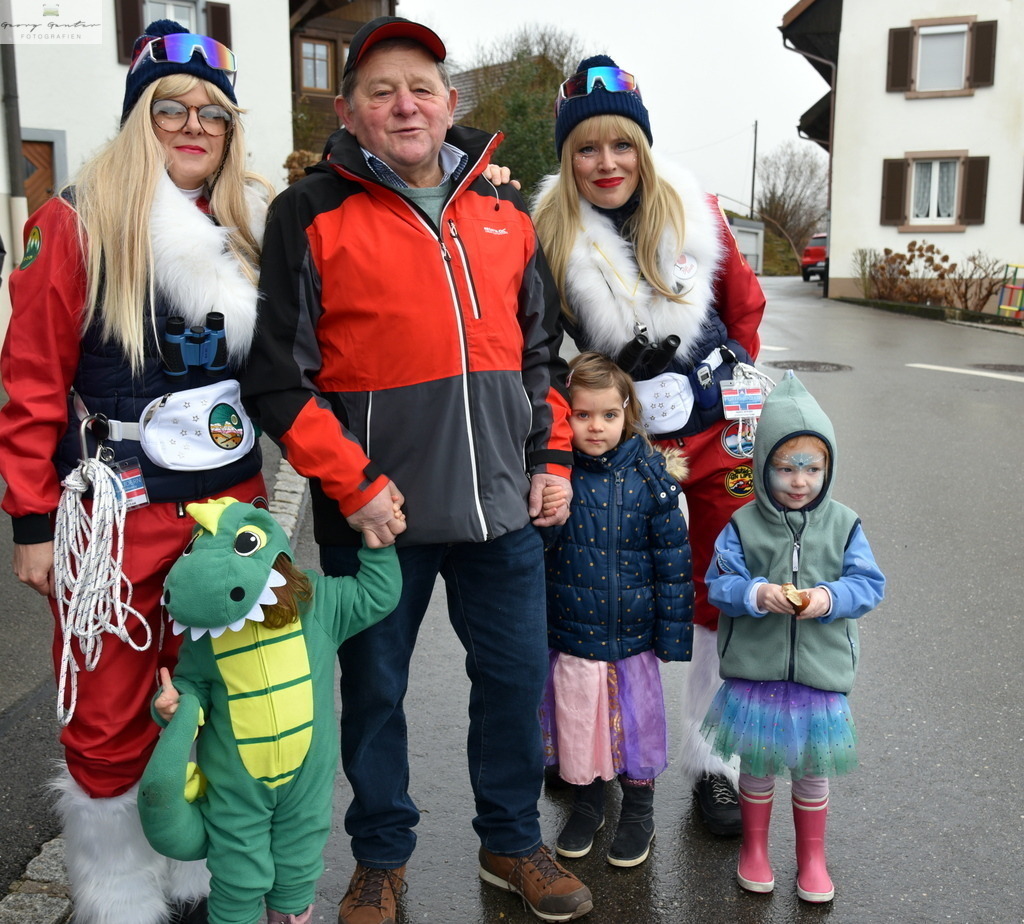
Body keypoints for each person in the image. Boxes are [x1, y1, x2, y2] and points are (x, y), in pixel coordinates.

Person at [240, 15, 593, 924]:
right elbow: (277, 378)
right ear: (349, 112)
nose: (405, 105)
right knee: (373, 695)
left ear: (450, 102)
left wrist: (552, 458)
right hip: (377, 519)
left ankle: (510, 841)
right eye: (382, 90)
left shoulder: (506, 214)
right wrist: (353, 486)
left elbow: (541, 358)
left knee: (513, 684)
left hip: (502, 513)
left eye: (421, 88)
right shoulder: (308, 213)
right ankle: (381, 858)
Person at [0, 20, 271, 924]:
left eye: (213, 113)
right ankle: (116, 890)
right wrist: (31, 521)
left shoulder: (251, 223)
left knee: (221, 691)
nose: (195, 126)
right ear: (137, 118)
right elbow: (31, 381)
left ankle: (195, 862)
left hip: (231, 510)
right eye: (170, 108)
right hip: (117, 513)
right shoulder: (75, 219)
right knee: (110, 703)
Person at [532, 55, 767, 835]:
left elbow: (745, 309)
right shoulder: (548, 238)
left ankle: (715, 765)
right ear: (568, 156)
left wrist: (734, 386)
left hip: (718, 443)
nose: (607, 163)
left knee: (721, 596)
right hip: (619, 451)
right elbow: (539, 355)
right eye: (587, 148)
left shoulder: (699, 214)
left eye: (621, 144)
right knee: (595, 598)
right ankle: (585, 746)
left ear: (643, 146)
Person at [141, 498, 402, 924]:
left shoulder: (318, 602)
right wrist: (173, 705)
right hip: (235, 781)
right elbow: (193, 684)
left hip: (306, 778)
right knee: (236, 873)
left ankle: (291, 915)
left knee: (299, 860)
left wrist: (378, 549)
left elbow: (376, 595)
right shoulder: (209, 632)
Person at [700, 371, 885, 902]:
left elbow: (869, 584)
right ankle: (754, 850)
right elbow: (719, 583)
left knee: (811, 770)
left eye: (812, 468)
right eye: (785, 467)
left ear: (829, 467)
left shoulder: (844, 525)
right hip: (755, 673)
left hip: (819, 675)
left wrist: (827, 599)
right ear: (763, 466)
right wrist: (757, 593)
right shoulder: (742, 524)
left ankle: (812, 858)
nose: (799, 481)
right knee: (757, 766)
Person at [539, 352, 693, 869]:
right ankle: (587, 803)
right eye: (582, 415)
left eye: (608, 414)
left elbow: (673, 560)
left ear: (627, 412)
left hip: (633, 638)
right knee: (578, 722)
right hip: (573, 634)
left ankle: (639, 811)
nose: (596, 427)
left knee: (637, 725)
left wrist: (673, 634)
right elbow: (538, 554)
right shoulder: (556, 476)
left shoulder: (649, 477)